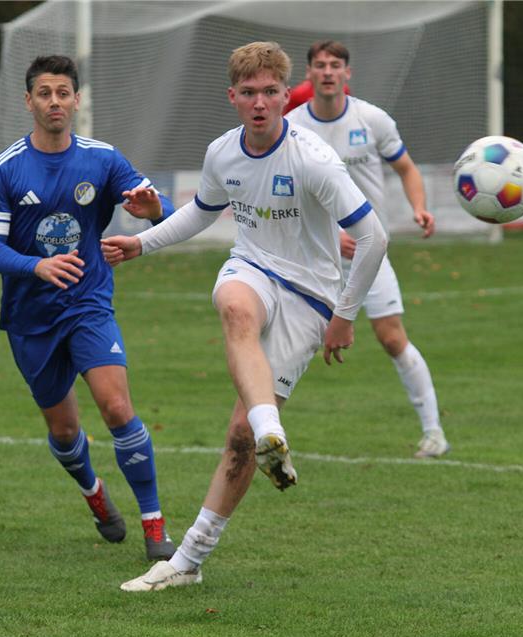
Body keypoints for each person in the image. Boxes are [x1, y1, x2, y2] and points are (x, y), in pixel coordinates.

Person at [101, 41, 388, 591]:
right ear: (232, 97)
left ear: (286, 96)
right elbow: (200, 213)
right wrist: (143, 244)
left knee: (237, 439)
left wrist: (346, 316)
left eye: (270, 92)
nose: (260, 103)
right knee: (234, 305)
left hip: (312, 297)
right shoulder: (221, 153)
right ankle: (271, 431)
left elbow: (375, 236)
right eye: (249, 93)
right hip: (253, 268)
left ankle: (189, 560)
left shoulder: (313, 159)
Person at [0, 55, 178, 560]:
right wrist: (36, 267)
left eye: (64, 92)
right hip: (30, 319)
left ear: (77, 100)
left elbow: (161, 207)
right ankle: (94, 493)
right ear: (29, 101)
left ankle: (155, 527)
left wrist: (153, 210)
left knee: (116, 407)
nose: (55, 101)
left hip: (87, 305)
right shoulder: (4, 168)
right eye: (45, 93)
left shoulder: (103, 159)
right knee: (64, 432)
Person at [286, 40, 449, 457]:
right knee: (291, 343)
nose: (327, 72)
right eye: (320, 65)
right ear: (309, 74)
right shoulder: (292, 126)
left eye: (335, 65)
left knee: (393, 338)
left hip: (367, 253)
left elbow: (406, 168)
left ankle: (434, 433)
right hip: (313, 256)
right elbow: (285, 193)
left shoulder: (372, 119)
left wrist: (420, 208)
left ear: (347, 73)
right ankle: (265, 432)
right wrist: (323, 233)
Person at [282, 77, 349, 115]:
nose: (327, 72)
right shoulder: (299, 94)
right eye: (320, 66)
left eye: (334, 66)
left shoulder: (344, 90)